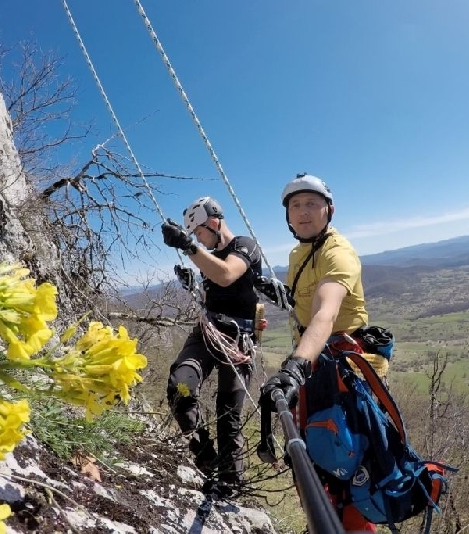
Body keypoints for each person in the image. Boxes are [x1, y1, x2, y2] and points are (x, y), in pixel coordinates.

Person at [259, 173, 379, 533]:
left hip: (344, 373)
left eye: (312, 203)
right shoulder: (299, 253)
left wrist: (296, 366)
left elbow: (326, 313)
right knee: (314, 461)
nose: (303, 212)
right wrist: (283, 293)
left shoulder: (337, 252)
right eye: (295, 205)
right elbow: (308, 304)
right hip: (316, 369)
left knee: (346, 465)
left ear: (329, 209)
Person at [161, 196, 262, 497]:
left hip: (237, 338)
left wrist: (187, 247)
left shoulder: (245, 246)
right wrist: (193, 284)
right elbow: (213, 291)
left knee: (228, 416)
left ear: (214, 222)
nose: (199, 241)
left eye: (200, 233)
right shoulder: (208, 257)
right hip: (209, 330)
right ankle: (207, 459)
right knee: (180, 384)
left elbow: (227, 274)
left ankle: (231, 482)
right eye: (195, 238)